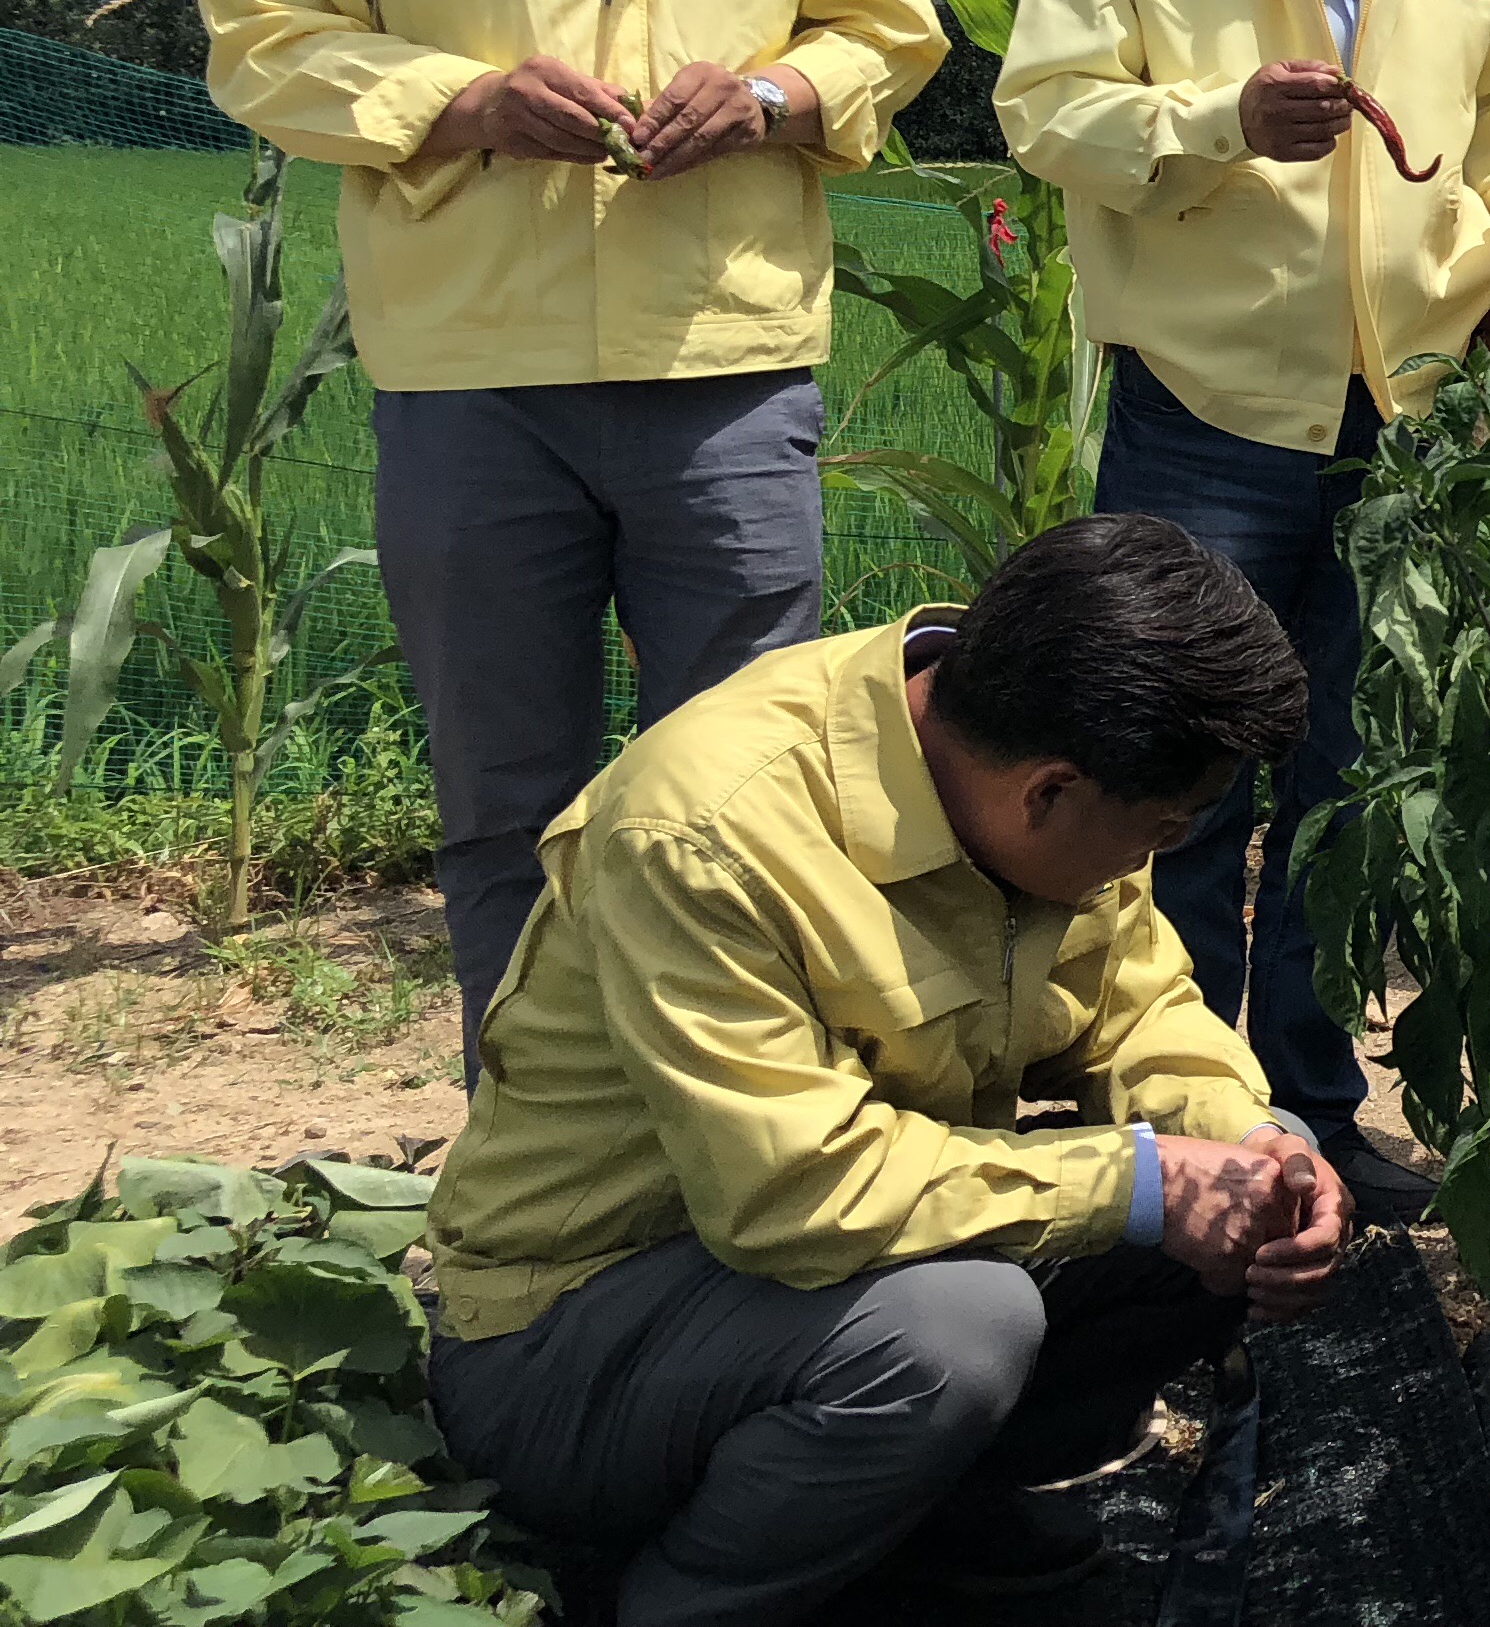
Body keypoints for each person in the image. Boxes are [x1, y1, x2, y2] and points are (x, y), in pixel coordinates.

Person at [199, 0, 944, 1049]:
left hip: (726, 363)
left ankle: (724, 1151)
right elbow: (261, 31)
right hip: (473, 376)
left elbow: (888, 30)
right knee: (507, 795)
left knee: (740, 794)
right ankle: (534, 1179)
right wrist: (460, 100)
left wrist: (769, 96)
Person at [420, 515, 1347, 1622]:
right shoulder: (707, 832)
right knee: (960, 1329)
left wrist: (1253, 1147)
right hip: (573, 1341)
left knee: (1220, 1215)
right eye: (1154, 833)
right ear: (1048, 793)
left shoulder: (1024, 744)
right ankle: (686, 1600)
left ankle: (924, 1514)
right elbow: (794, 1197)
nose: (1148, 859)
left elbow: (1138, 1008)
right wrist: (1144, 1184)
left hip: (815, 1287)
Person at [995, 0, 1490, 1218]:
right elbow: (1047, 110)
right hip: (1208, 399)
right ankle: (1165, 1123)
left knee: (1349, 783)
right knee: (1165, 772)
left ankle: (1311, 1108)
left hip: (1421, 412)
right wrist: (1216, 118)